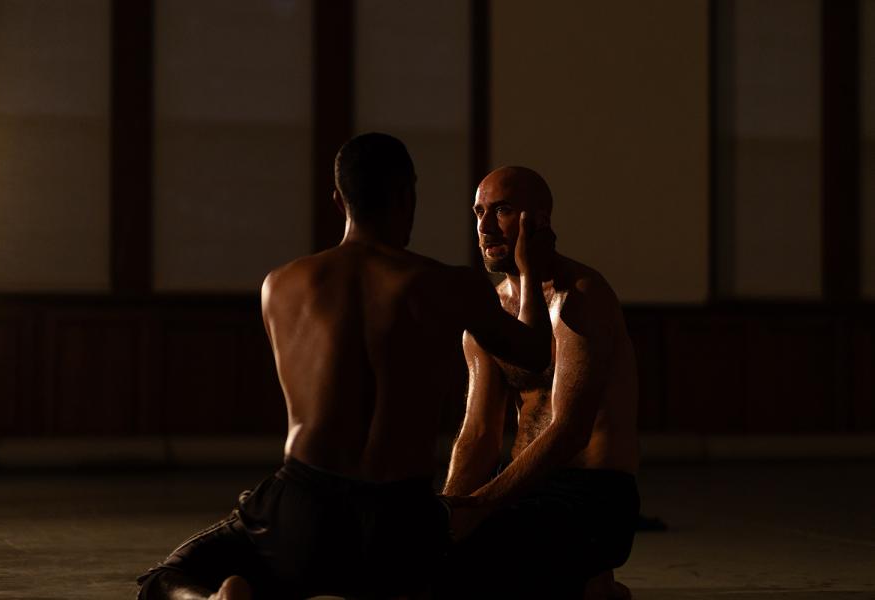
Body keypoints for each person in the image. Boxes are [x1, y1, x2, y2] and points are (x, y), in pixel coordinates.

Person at [135, 134, 555, 600]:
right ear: (407, 195)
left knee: (166, 577)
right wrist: (528, 266)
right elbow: (536, 353)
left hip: (303, 513)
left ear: (339, 199)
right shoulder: (448, 286)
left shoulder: (280, 285)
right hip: (402, 523)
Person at [439, 166, 640, 599]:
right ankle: (588, 586)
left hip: (592, 495)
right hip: (522, 489)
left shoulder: (581, 296)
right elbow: (477, 434)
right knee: (429, 557)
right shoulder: (490, 312)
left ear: (540, 221)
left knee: (485, 562)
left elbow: (570, 431)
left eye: (503, 210)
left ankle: (592, 584)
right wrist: (451, 510)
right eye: (478, 212)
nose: (485, 226)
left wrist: (481, 509)